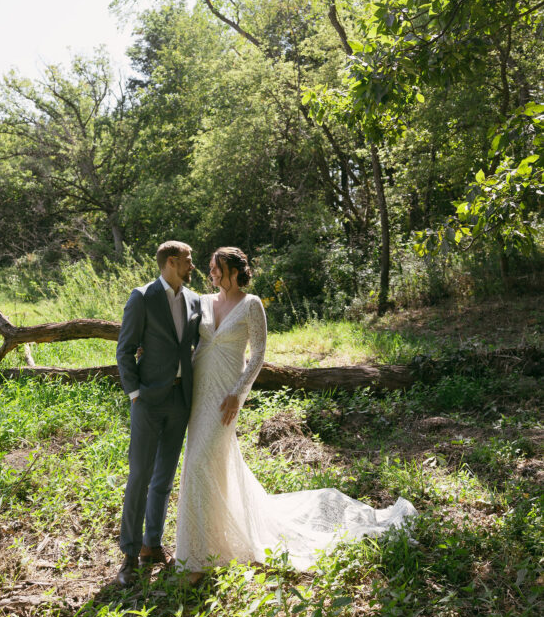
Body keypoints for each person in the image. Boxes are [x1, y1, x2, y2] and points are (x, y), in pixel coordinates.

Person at [175, 247, 417, 581]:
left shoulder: (251, 304)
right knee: (200, 462)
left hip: (226, 392)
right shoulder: (201, 301)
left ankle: (200, 557)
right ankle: (205, 547)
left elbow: (258, 354)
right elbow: (181, 339)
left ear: (233, 271)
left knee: (205, 457)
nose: (211, 272)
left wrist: (238, 394)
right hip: (199, 388)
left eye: (217, 268)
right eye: (210, 268)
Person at [115, 240, 201, 587]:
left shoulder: (194, 300)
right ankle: (129, 555)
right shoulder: (143, 296)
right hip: (148, 401)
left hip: (181, 400)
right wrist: (135, 394)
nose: (191, 265)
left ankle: (153, 544)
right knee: (139, 476)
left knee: (163, 479)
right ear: (170, 261)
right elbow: (124, 349)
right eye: (188, 259)